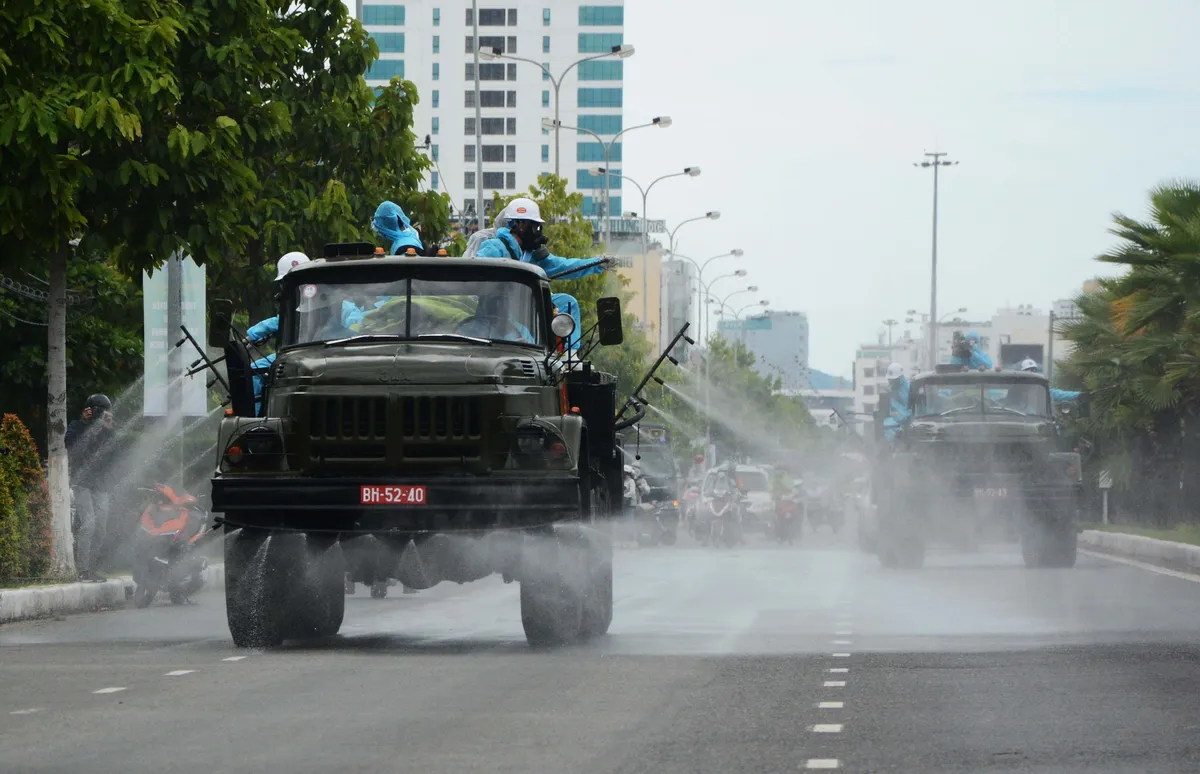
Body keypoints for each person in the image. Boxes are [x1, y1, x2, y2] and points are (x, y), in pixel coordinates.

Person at [475, 197, 612, 350]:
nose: (537, 232)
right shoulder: (495, 247)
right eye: (535, 227)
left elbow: (563, 265)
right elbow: (478, 272)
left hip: (525, 306)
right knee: (527, 339)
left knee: (568, 302)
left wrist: (598, 264)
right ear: (520, 225)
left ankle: (569, 354)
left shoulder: (531, 255)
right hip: (499, 313)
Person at [65, 394, 118, 581]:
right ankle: (83, 569)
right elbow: (70, 444)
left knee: (101, 527)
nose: (99, 414)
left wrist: (109, 429)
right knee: (89, 522)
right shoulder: (77, 426)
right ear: (87, 410)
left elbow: (114, 455)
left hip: (100, 484)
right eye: (96, 410)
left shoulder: (106, 430)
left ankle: (92, 567)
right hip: (81, 482)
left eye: (103, 412)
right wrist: (85, 424)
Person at [882, 362, 911, 441]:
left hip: (908, 422)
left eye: (892, 380)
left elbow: (908, 412)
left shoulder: (908, 389)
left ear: (899, 378)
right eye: (889, 380)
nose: (890, 382)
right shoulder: (891, 391)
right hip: (896, 421)